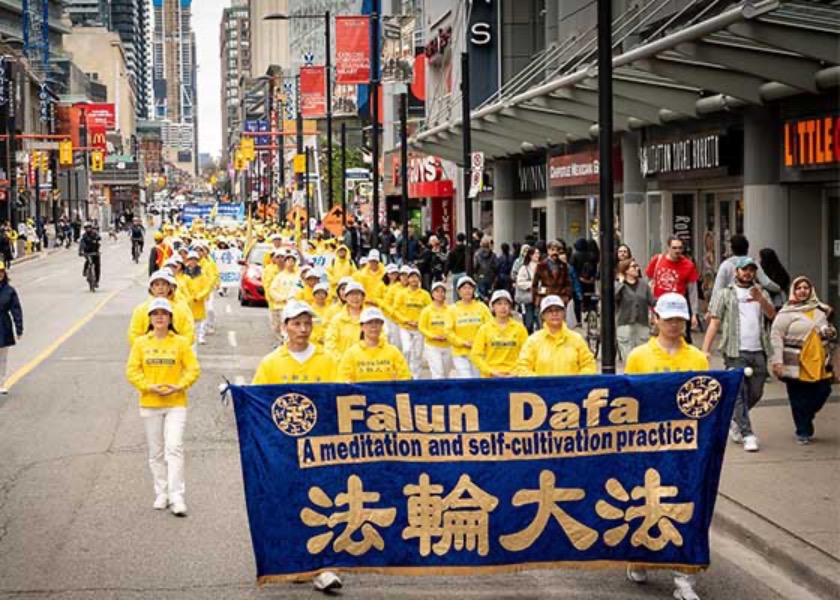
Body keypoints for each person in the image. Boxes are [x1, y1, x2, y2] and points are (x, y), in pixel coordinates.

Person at [623, 292, 708, 600]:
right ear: (655, 319)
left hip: (686, 448)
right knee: (647, 502)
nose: (673, 325)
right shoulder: (639, 357)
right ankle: (640, 556)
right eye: (668, 318)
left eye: (679, 320)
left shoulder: (697, 358)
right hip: (647, 446)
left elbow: (705, 402)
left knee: (686, 505)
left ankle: (685, 578)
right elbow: (628, 402)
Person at [125, 298, 200, 517]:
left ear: (170, 318)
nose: (159, 317)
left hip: (176, 403)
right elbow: (132, 370)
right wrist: (148, 387)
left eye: (164, 313)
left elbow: (193, 369)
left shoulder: (181, 343)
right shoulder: (141, 343)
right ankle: (161, 492)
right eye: (155, 313)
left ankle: (177, 496)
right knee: (156, 452)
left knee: (174, 447)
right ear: (149, 318)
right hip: (150, 403)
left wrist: (179, 385)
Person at [702, 257, 775, 452]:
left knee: (757, 392)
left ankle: (735, 419)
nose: (748, 273)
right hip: (735, 350)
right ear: (736, 272)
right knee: (739, 393)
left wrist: (760, 299)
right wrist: (705, 350)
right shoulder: (725, 294)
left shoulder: (762, 292)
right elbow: (715, 323)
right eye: (744, 270)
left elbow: (771, 315)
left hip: (759, 348)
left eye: (751, 270)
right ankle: (747, 433)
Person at [770, 276, 836, 444]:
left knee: (823, 391)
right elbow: (776, 336)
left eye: (806, 287)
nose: (802, 291)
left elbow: (831, 330)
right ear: (794, 290)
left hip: (819, 360)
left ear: (811, 290)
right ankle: (803, 430)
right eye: (799, 288)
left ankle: (807, 416)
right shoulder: (786, 312)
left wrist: (829, 332)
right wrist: (777, 361)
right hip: (796, 362)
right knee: (798, 398)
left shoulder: (821, 309)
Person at [516, 295, 597, 376]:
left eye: (558, 310)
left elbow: (589, 365)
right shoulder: (533, 341)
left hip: (572, 388)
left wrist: (576, 383)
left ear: (564, 313)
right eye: (550, 311)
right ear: (543, 315)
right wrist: (539, 383)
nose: (554, 314)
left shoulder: (577, 339)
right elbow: (522, 367)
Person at [645, 236, 700, 341]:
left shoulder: (688, 265)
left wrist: (694, 314)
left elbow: (693, 291)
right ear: (668, 248)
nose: (677, 251)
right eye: (674, 248)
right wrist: (649, 310)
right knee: (658, 339)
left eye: (680, 248)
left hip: (677, 308)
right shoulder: (657, 260)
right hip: (659, 307)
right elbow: (648, 283)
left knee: (678, 338)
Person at [338, 307, 411, 382]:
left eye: (377, 322)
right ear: (362, 327)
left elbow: (405, 378)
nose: (374, 326)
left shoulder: (393, 352)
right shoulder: (351, 354)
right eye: (369, 322)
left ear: (382, 326)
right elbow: (343, 380)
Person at [127, 271, 195, 347]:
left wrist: (177, 350)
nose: (160, 288)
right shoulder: (141, 310)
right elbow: (134, 333)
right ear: (152, 288)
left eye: (164, 284)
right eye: (157, 285)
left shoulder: (180, 310)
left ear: (169, 288)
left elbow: (188, 333)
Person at [471, 290, 528, 378]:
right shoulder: (484, 329)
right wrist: (490, 371)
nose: (503, 307)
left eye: (506, 304)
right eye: (499, 304)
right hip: (490, 377)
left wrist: (517, 372)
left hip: (513, 376)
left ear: (510, 307)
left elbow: (527, 354)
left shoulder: (520, 328)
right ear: (493, 307)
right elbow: (475, 355)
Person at [445, 276, 492, 379]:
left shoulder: (482, 307)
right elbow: (448, 331)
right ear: (459, 291)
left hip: (478, 352)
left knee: (477, 380)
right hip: (460, 353)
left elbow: (490, 327)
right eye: (464, 288)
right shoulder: (452, 309)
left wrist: (479, 342)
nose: (467, 291)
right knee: (466, 378)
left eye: (470, 288)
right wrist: (462, 342)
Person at [711, 235, 781, 299]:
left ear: (732, 249)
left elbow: (717, 289)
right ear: (747, 249)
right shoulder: (753, 263)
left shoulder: (725, 265)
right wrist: (779, 289)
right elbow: (766, 282)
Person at [393, 267, 431, 379]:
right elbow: (396, 310)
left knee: (418, 354)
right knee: (407, 349)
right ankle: (405, 372)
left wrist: (420, 322)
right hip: (405, 327)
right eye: (411, 277)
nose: (414, 280)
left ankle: (416, 376)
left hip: (419, 328)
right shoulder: (401, 294)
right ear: (408, 279)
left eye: (416, 277)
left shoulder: (425, 295)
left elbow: (428, 311)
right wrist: (405, 320)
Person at [615, 259, 654, 361]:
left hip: (642, 324)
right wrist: (620, 282)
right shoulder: (619, 285)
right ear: (626, 270)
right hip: (625, 324)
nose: (637, 268)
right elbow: (613, 298)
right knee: (628, 359)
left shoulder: (643, 284)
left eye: (637, 266)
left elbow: (652, 301)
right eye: (633, 266)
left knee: (643, 358)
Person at [418, 281, 452, 380]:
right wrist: (432, 336)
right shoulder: (427, 311)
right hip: (432, 346)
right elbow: (422, 327)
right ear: (432, 294)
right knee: (438, 373)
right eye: (437, 291)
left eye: (442, 291)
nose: (440, 294)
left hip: (447, 345)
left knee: (445, 373)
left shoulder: (450, 310)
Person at [324, 281, 365, 361]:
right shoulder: (337, 320)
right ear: (345, 297)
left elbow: (381, 339)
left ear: (363, 297)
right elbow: (329, 345)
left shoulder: (370, 318)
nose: (355, 297)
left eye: (358, 294)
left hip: (365, 366)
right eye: (351, 294)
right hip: (341, 365)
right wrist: (343, 361)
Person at [0, 263, 23, 394]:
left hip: (3, 325)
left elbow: (16, 310)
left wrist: (19, 328)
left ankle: (1, 383)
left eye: (1, 272)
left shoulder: (9, 291)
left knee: (2, 357)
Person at [532, 240, 573, 309]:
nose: (555, 252)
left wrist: (566, 297)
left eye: (557, 250)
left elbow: (568, 283)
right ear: (548, 250)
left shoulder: (563, 266)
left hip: (560, 299)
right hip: (546, 299)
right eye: (552, 250)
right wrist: (537, 298)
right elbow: (534, 284)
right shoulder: (541, 265)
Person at [183, 251, 213, 345]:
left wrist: (199, 296)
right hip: (187, 303)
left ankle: (200, 336)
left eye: (195, 259)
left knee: (199, 322)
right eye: (191, 259)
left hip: (198, 302)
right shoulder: (184, 273)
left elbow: (207, 287)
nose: (193, 261)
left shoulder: (202, 273)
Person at [515, 246, 541, 333]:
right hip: (528, 299)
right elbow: (520, 282)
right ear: (530, 255)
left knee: (540, 322)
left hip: (539, 297)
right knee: (528, 323)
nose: (537, 255)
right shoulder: (524, 268)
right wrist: (533, 285)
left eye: (538, 253)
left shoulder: (542, 266)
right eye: (535, 253)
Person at [79, 222, 102, 288]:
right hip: (87, 252)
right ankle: (85, 271)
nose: (88, 229)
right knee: (88, 261)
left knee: (97, 266)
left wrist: (96, 239)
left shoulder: (95, 233)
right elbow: (81, 244)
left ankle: (96, 281)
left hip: (95, 252)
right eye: (86, 228)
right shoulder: (84, 236)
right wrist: (80, 251)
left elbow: (99, 237)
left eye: (89, 227)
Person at [446, 233, 467, 298]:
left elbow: (449, 263)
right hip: (465, 272)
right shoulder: (467, 250)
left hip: (455, 273)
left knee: (456, 291)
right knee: (465, 290)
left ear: (456, 239)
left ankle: (456, 305)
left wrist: (445, 273)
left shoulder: (452, 251)